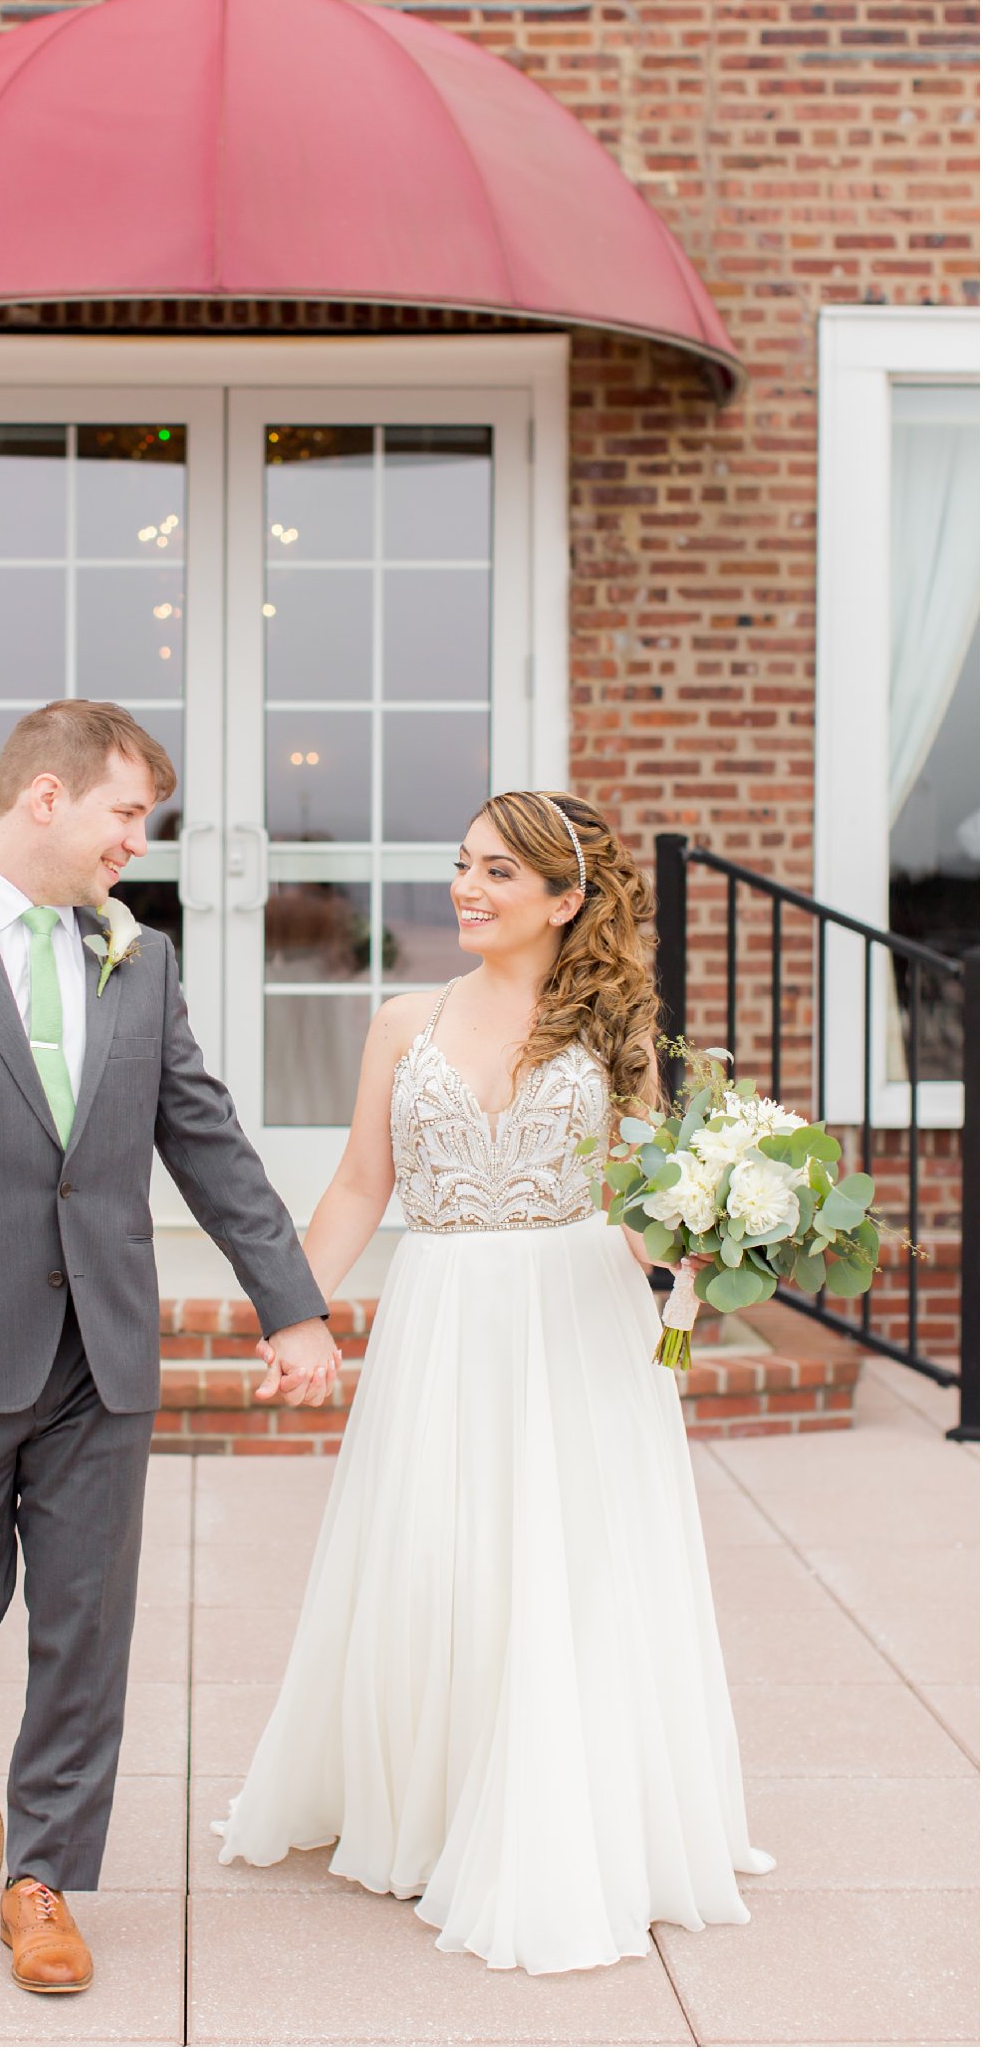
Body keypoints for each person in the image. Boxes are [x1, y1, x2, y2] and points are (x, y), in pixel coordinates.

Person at [0, 699, 339, 1995]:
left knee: (87, 1625)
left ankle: (44, 1880)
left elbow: (200, 1132)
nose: (133, 845)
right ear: (46, 797)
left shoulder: (139, 960)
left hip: (103, 1345)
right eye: (123, 814)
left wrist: (293, 1301)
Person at [214, 789, 774, 1975]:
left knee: (558, 1570)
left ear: (565, 902)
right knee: (439, 1557)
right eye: (462, 864)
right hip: (443, 1317)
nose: (466, 889)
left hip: (573, 1324)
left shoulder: (617, 1030)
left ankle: (553, 1817)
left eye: (498, 876)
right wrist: (291, 1312)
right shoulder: (399, 1019)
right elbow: (361, 1187)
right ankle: (432, 1806)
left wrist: (710, 1242)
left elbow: (638, 1208)